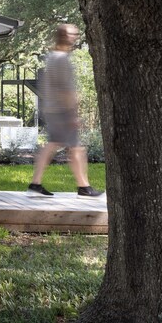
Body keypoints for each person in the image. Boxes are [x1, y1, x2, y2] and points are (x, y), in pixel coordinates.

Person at [27, 24, 103, 197]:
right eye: (72, 34)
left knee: (55, 145)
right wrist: (73, 115)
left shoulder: (53, 57)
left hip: (53, 109)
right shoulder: (61, 59)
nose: (75, 37)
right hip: (62, 111)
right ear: (64, 36)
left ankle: (36, 183)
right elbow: (66, 90)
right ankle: (83, 187)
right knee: (76, 148)